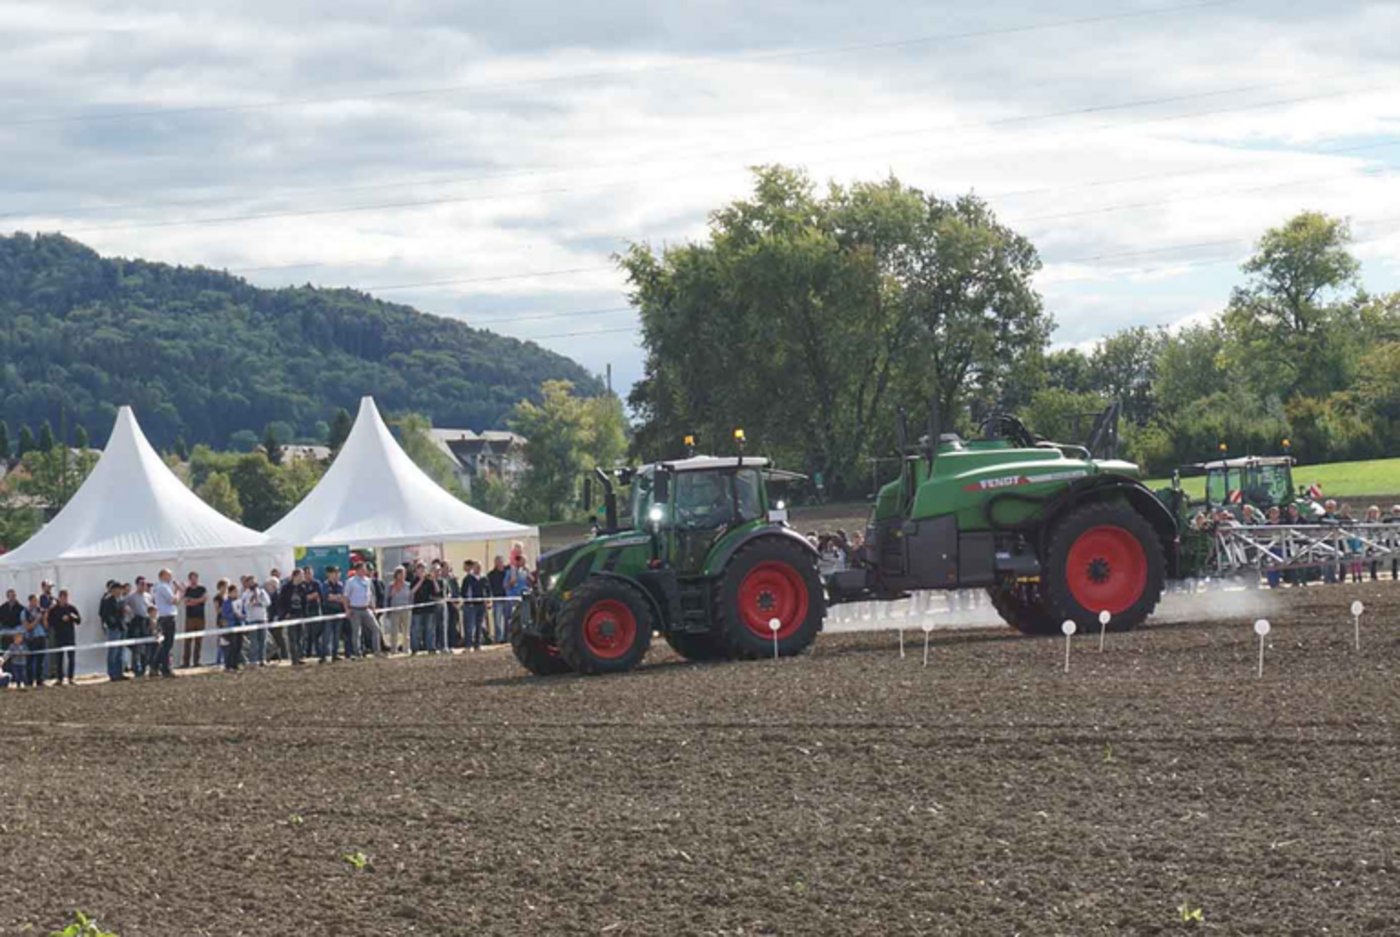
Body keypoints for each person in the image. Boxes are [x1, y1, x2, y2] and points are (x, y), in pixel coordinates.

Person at [150, 568, 182, 678]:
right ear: (162, 576)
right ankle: (164, 668)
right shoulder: (163, 587)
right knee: (167, 645)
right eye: (169, 575)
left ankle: (155, 667)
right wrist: (178, 591)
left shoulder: (161, 587)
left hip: (164, 616)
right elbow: (174, 601)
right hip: (167, 617)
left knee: (165, 644)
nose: (171, 577)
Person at [344, 562, 380, 656]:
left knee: (376, 628)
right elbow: (346, 597)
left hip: (366, 608)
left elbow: (370, 595)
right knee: (357, 632)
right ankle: (357, 652)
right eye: (363, 569)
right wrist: (347, 609)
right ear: (358, 570)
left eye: (365, 569)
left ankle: (376, 650)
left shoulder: (368, 581)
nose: (365, 571)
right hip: (355, 609)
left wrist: (373, 607)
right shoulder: (350, 582)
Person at [47, 589, 81, 686]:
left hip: (70, 636)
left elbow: (79, 620)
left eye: (65, 597)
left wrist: (71, 617)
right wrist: (60, 619)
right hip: (59, 636)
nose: (64, 599)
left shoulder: (71, 608)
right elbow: (50, 622)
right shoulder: (54, 610)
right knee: (59, 658)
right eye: (62, 597)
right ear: (59, 598)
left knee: (71, 658)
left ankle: (71, 678)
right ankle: (59, 678)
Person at [278, 569, 307, 666]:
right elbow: (281, 601)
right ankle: (294, 658)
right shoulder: (286, 588)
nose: (303, 577)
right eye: (301, 575)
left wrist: (304, 614)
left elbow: (304, 602)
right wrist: (285, 613)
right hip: (291, 615)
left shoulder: (302, 588)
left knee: (300, 637)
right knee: (292, 637)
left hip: (300, 614)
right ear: (295, 576)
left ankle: (300, 656)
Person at [123, 578, 151, 677]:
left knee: (147, 646)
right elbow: (123, 605)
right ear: (137, 585)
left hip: (146, 621)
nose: (144, 586)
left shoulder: (148, 596)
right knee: (136, 646)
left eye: (145, 584)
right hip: (136, 621)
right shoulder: (131, 596)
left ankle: (144, 667)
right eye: (141, 584)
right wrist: (129, 613)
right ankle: (136, 668)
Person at [241, 576, 271, 666]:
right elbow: (245, 606)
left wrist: (260, 602)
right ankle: (253, 660)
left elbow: (268, 602)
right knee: (253, 641)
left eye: (253, 582)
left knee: (263, 640)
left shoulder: (262, 591)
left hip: (262, 618)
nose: (252, 583)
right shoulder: (245, 594)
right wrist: (251, 601)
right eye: (250, 582)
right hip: (252, 619)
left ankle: (262, 659)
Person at [322, 566, 350, 660]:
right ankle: (324, 655)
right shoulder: (325, 584)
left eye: (338, 573)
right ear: (329, 574)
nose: (337, 575)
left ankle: (335, 654)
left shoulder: (341, 585)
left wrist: (337, 597)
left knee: (337, 634)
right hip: (328, 612)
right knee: (327, 634)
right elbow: (328, 597)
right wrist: (338, 597)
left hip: (339, 612)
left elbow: (344, 598)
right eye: (334, 573)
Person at [410, 562, 439, 654]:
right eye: (420, 569)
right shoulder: (414, 580)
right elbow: (412, 591)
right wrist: (421, 581)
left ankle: (431, 647)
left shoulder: (429, 581)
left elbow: (437, 591)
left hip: (429, 608)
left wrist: (434, 580)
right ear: (417, 570)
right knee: (416, 629)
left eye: (424, 569)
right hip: (417, 609)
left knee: (430, 629)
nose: (422, 571)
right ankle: (415, 648)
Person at [182, 572, 208, 668]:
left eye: (195, 578)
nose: (194, 580)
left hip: (200, 617)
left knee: (199, 640)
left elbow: (204, 599)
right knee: (187, 640)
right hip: (190, 617)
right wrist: (198, 601)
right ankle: (186, 662)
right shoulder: (187, 590)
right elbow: (186, 602)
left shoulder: (202, 589)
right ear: (189, 579)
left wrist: (192, 600)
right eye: (192, 578)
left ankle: (196, 661)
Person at [301, 569, 327, 663]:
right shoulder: (301, 585)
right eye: (306, 573)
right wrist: (310, 596)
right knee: (306, 634)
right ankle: (306, 653)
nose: (308, 575)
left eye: (310, 573)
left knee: (317, 633)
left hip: (315, 610)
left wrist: (310, 597)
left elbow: (319, 595)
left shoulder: (316, 583)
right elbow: (303, 597)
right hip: (305, 611)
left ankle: (319, 653)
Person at [21, 595, 47, 688]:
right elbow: (27, 627)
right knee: (29, 661)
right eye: (34, 601)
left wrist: (45, 616)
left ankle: (40, 681)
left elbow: (46, 626)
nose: (36, 603)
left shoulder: (40, 611)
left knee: (40, 661)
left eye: (37, 601)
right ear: (30, 601)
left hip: (41, 637)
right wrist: (37, 619)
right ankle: (29, 681)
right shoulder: (24, 612)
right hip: (30, 638)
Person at [461, 560, 487, 651]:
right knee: (469, 626)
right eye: (477, 567)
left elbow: (487, 590)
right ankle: (468, 645)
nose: (478, 569)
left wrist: (487, 600)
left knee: (479, 626)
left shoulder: (484, 578)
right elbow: (463, 592)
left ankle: (477, 644)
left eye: (480, 567)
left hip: (481, 605)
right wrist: (468, 600)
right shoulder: (468, 579)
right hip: (470, 605)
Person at [385, 567, 412, 654]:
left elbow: (410, 597)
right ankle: (393, 649)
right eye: (400, 574)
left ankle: (406, 648)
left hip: (406, 610)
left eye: (403, 574)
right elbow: (387, 597)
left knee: (406, 631)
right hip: (394, 609)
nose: (402, 576)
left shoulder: (408, 585)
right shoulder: (391, 585)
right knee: (394, 631)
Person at [221, 583, 244, 672]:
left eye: (236, 592)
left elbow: (244, 612)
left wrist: (242, 616)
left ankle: (236, 664)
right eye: (234, 592)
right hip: (231, 626)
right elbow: (224, 614)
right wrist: (233, 615)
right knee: (232, 646)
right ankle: (229, 665)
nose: (236, 593)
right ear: (230, 593)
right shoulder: (226, 603)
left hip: (239, 625)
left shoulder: (240, 602)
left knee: (239, 645)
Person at [487, 556, 508, 644]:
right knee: (497, 620)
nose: (500, 563)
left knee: (507, 619)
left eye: (501, 561)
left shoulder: (507, 572)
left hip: (507, 599)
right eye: (498, 562)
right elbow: (489, 588)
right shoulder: (491, 575)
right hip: (497, 599)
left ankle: (506, 638)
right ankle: (498, 638)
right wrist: (489, 599)